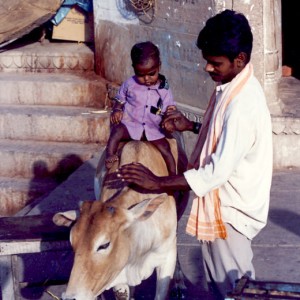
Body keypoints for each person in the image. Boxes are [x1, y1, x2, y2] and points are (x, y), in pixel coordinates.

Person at [108, 9, 273, 299]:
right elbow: (223, 139)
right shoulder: (231, 86)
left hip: (231, 216)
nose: (208, 68)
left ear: (240, 60)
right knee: (221, 289)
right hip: (222, 210)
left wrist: (157, 183)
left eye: (215, 63)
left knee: (235, 292)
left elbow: (214, 173)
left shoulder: (243, 104)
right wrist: (193, 125)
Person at [105, 41, 177, 176]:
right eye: (140, 74)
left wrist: (169, 120)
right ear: (134, 69)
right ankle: (110, 154)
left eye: (151, 73)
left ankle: (173, 175)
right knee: (117, 131)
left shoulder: (164, 89)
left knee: (166, 149)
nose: (146, 79)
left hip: (153, 129)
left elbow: (170, 108)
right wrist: (117, 109)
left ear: (159, 67)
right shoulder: (129, 84)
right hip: (131, 126)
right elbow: (120, 98)